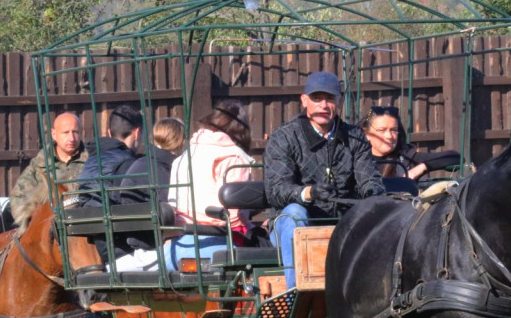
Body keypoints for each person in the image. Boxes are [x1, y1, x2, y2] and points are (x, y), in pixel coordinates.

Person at [264, 71, 384, 288]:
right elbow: (275, 190)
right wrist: (310, 192)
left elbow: (369, 179)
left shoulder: (355, 137)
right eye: (316, 98)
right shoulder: (283, 137)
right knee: (295, 213)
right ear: (304, 100)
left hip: (342, 221)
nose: (323, 105)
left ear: (338, 102)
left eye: (329, 99)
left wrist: (374, 194)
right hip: (293, 223)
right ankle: (297, 294)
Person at [164, 101, 256, 272]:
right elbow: (234, 216)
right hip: (215, 245)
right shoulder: (233, 158)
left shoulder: (184, 156)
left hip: (174, 248)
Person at [112, 117, 187, 271]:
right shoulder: (167, 169)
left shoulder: (144, 163)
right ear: (181, 141)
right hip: (154, 248)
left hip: (139, 245)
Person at [10, 112, 88, 225]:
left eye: (75, 132)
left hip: (83, 226)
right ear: (54, 134)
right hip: (48, 230)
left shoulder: (92, 162)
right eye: (65, 133)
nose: (71, 138)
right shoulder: (39, 165)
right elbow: (18, 199)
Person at [361, 105, 460, 180]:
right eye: (382, 130)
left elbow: (455, 157)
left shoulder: (406, 157)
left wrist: (422, 167)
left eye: (393, 130)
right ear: (367, 133)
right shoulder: (356, 158)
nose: (389, 136)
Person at [77, 104, 143, 205]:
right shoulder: (130, 165)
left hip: (87, 215)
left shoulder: (91, 160)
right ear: (136, 133)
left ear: (109, 133)